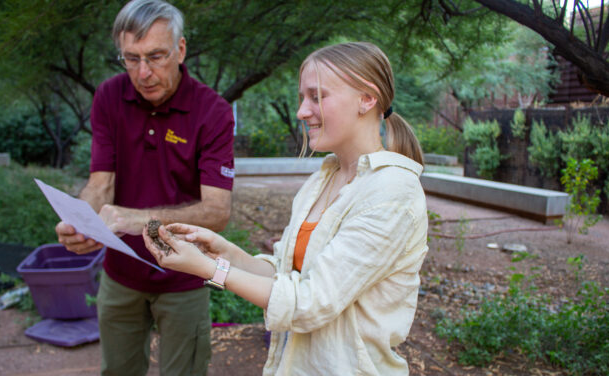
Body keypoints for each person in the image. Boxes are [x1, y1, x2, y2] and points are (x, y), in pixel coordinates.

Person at [144, 41, 428, 375]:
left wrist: (211, 272)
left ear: (367, 98)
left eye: (317, 97)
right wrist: (221, 254)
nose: (301, 111)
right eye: (301, 98)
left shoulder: (391, 192)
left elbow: (310, 302)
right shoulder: (320, 182)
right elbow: (285, 275)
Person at [54, 0, 235, 374]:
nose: (144, 72)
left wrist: (136, 220)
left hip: (186, 275)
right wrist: (79, 218)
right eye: (131, 58)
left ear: (181, 49)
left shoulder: (213, 111)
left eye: (156, 56)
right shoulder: (108, 96)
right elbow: (100, 184)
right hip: (120, 274)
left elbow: (218, 211)